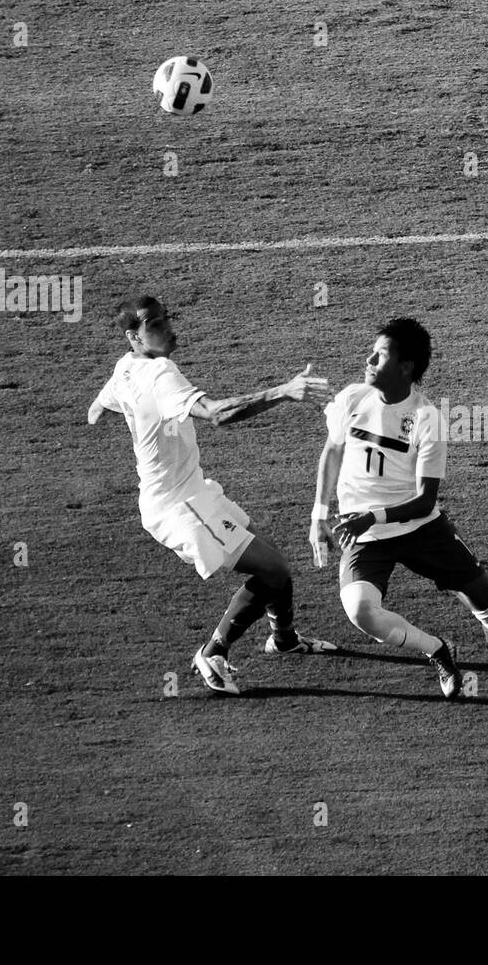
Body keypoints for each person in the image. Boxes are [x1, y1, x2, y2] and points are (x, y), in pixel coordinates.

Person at [310, 317, 488, 709]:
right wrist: (318, 513)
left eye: (379, 355)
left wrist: (372, 516)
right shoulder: (352, 399)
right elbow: (332, 450)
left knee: (486, 602)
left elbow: (425, 501)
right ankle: (437, 650)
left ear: (405, 366)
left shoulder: (427, 419)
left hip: (419, 529)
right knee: (360, 610)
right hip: (366, 533)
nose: (368, 359)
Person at [88, 295, 337, 696]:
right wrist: (285, 391)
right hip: (181, 506)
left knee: (266, 551)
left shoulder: (127, 367)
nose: (168, 327)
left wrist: (96, 409)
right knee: (274, 570)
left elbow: (107, 397)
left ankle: (285, 639)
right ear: (134, 337)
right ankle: (212, 652)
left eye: (167, 318)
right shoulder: (160, 374)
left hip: (192, 492)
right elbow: (218, 413)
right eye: (156, 323)